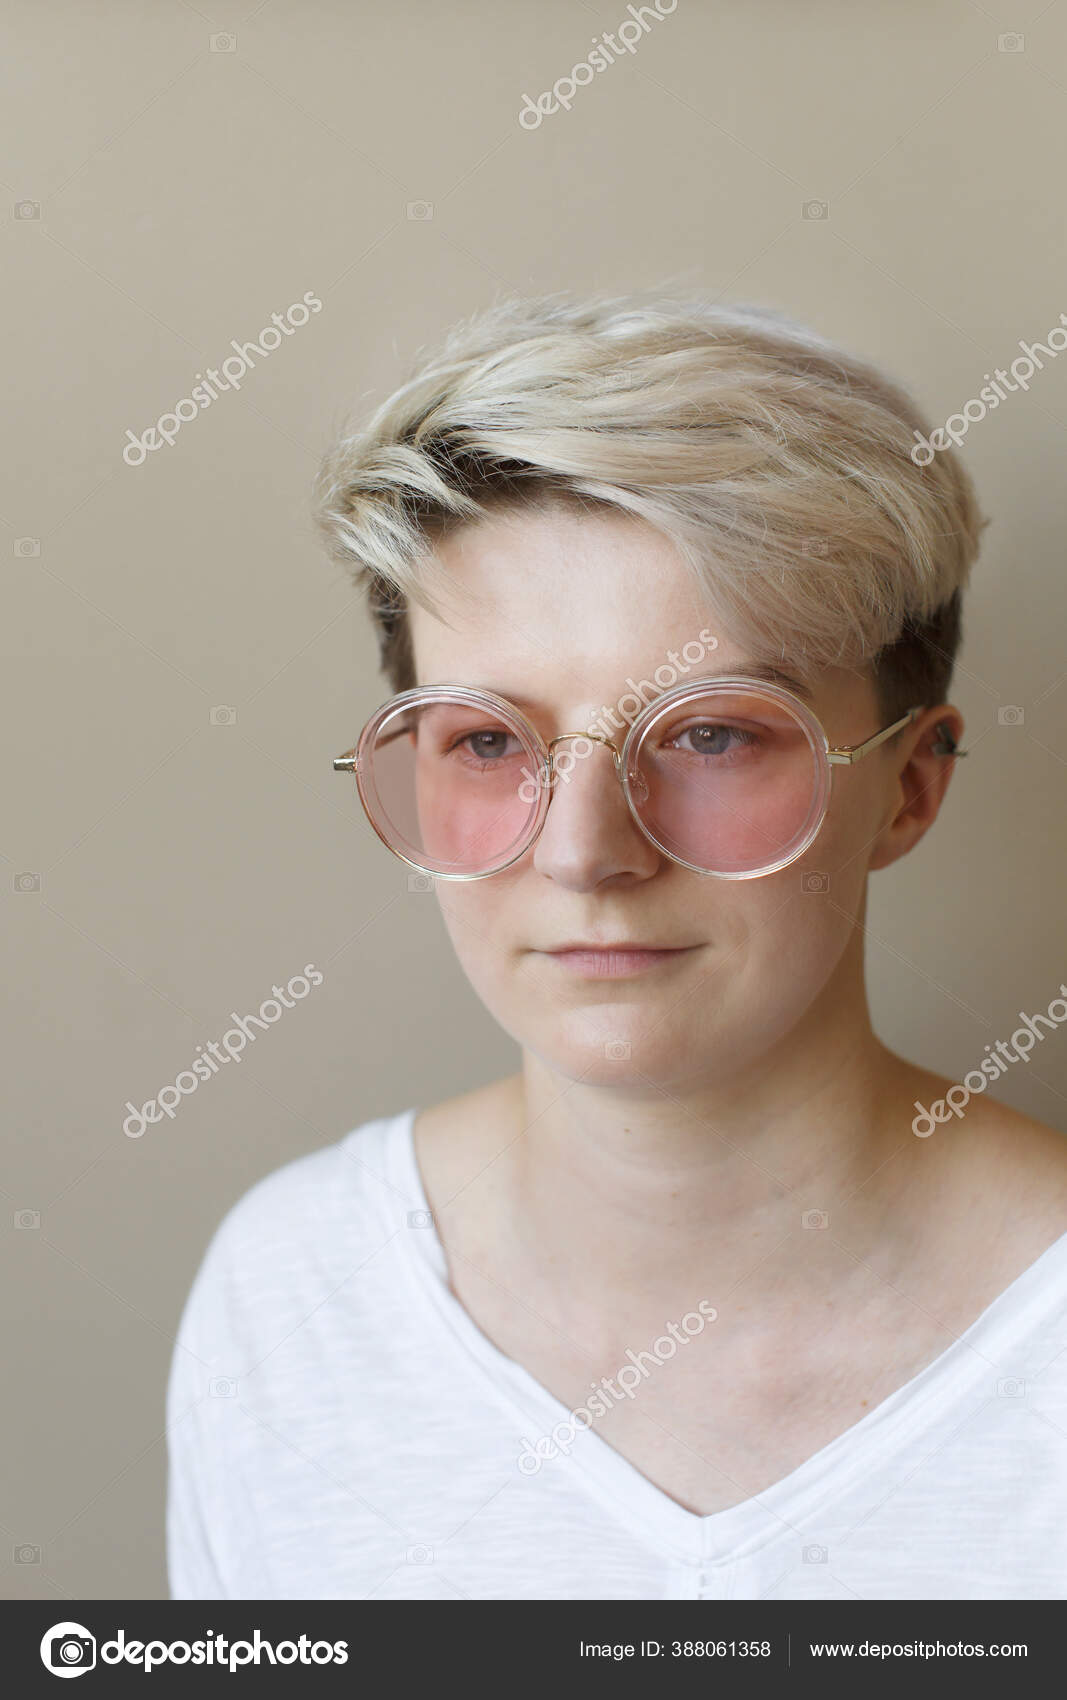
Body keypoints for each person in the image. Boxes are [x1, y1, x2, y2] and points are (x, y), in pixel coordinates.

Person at [166, 291, 1067, 1600]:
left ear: (910, 788)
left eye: (712, 733)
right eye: (486, 740)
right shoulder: (294, 1300)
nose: (585, 851)